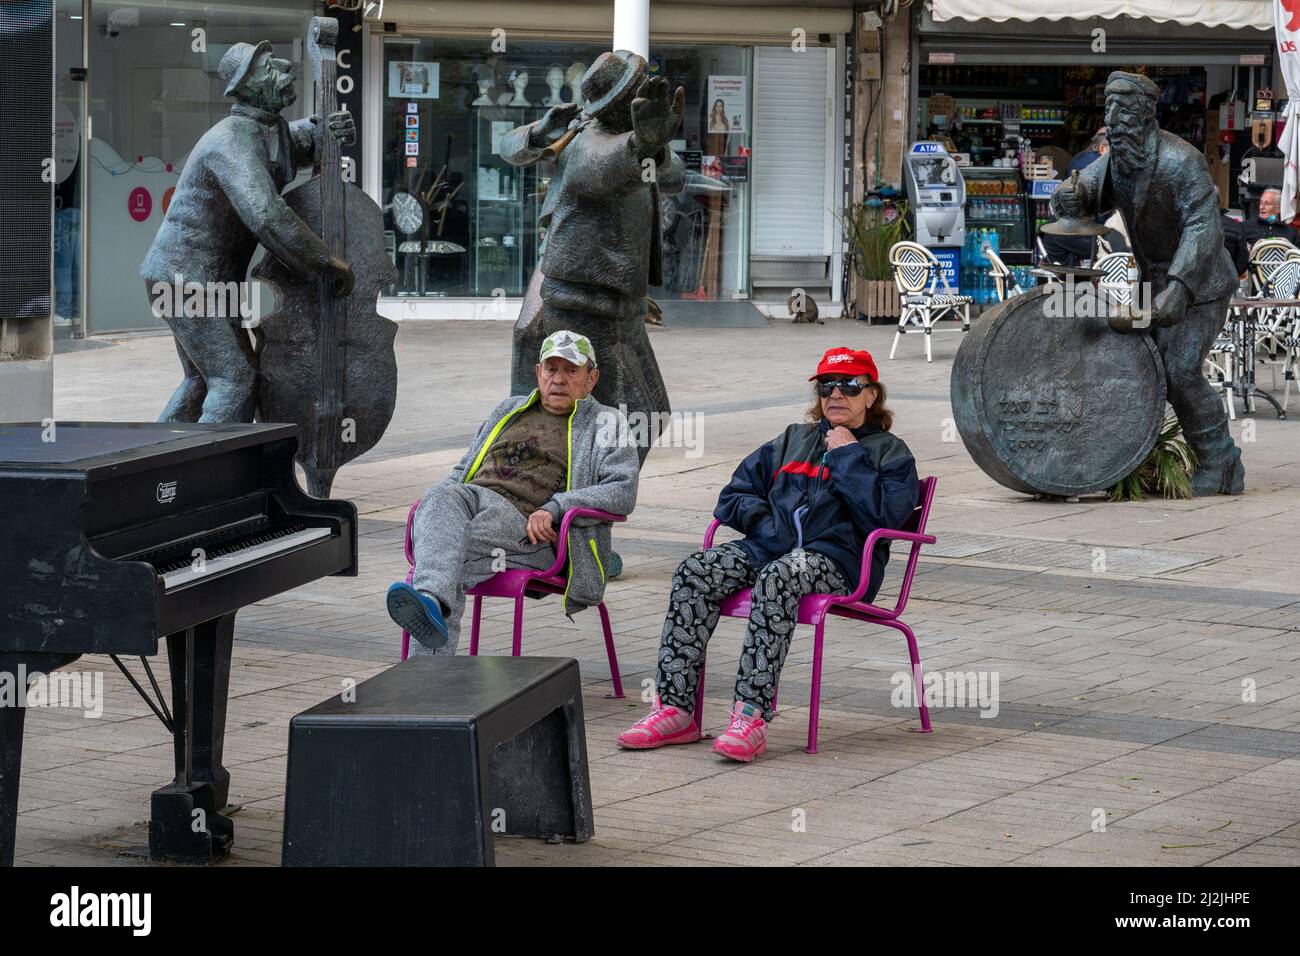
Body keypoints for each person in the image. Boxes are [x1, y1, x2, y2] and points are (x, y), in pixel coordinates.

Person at [617, 348, 919, 763]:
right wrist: (765, 524)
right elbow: (734, 493)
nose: (836, 394)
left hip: (839, 561)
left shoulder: (889, 451)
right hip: (770, 547)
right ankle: (675, 708)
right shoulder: (792, 440)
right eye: (827, 385)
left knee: (779, 576)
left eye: (850, 385)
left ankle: (750, 717)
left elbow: (885, 517)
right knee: (695, 571)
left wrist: (848, 455)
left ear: (872, 395)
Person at [141, 41, 355, 423]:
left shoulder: (262, 130)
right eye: (271, 66)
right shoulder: (232, 139)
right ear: (249, 86)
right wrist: (328, 263)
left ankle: (156, 464)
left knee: (201, 380)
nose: (286, 67)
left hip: (199, 278)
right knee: (235, 379)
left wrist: (325, 130)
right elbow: (268, 216)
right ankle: (212, 473)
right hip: (186, 279)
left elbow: (291, 144)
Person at [386, 330, 639, 653]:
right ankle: (431, 605)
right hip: (475, 502)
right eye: (551, 369)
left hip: (531, 528)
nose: (558, 379)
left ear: (591, 378)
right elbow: (463, 471)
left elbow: (622, 490)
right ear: (538, 373)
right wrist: (431, 512)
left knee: (446, 555)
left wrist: (557, 507)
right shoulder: (509, 409)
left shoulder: (606, 422)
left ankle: (425, 668)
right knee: (440, 499)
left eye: (571, 370)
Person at [1052, 71, 1243, 496]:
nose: (1114, 121)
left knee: (1180, 371)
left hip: (1200, 282)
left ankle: (1222, 459)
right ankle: (1139, 456)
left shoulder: (1182, 161)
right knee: (1138, 369)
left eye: (1123, 111)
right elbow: (1083, 189)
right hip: (1152, 284)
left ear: (1145, 116)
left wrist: (1180, 285)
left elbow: (1202, 226)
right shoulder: (1119, 159)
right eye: (1108, 111)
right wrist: (1068, 194)